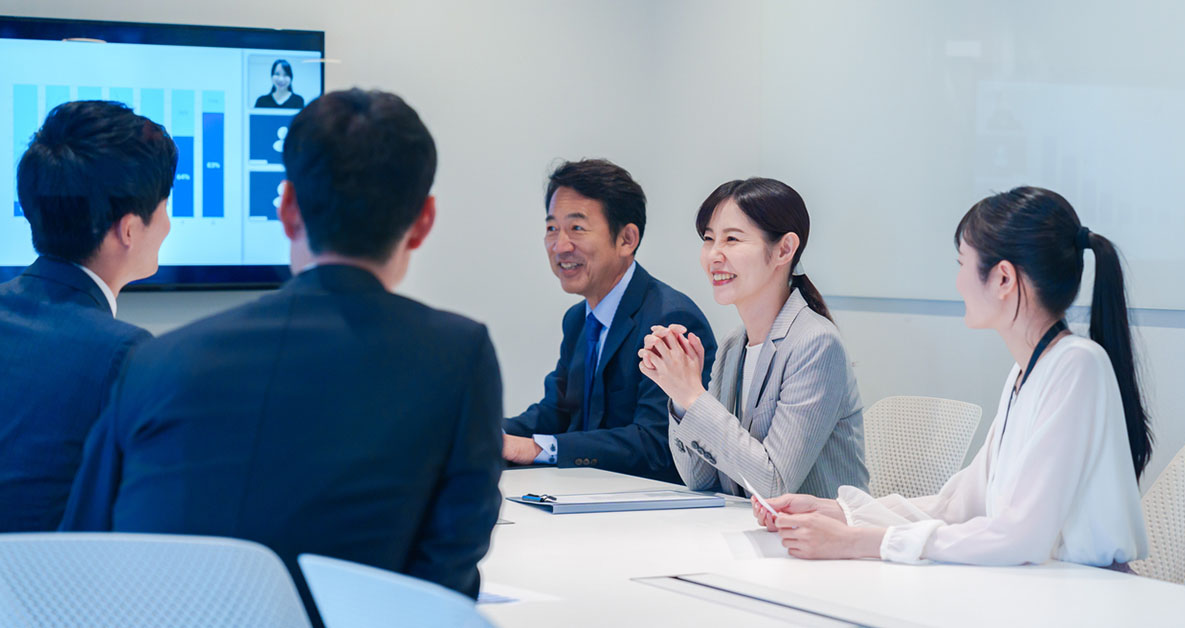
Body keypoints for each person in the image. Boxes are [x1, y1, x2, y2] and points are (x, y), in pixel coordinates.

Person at [60, 89, 503, 624]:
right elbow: (442, 592)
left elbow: (80, 555)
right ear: (424, 220)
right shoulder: (457, 357)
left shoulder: (157, 361)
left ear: (287, 206)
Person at [754, 186, 1151, 569]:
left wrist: (859, 541)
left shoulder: (1077, 365)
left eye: (962, 264)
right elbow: (960, 505)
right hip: (1045, 591)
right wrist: (841, 512)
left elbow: (1019, 537)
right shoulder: (1028, 371)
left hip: (1088, 599)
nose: (958, 281)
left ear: (1003, 279)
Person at [0, 101, 175, 532]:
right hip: (54, 591)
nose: (169, 224)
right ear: (130, 229)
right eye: (166, 206)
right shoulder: (124, 354)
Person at [638, 178, 868, 499]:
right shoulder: (734, 345)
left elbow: (773, 486)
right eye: (708, 239)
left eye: (732, 239)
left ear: (784, 249)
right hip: (747, 532)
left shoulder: (816, 343)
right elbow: (699, 479)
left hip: (817, 543)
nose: (714, 255)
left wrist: (693, 395)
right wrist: (680, 398)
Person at [503, 159, 717, 483]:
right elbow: (555, 413)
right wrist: (479, 435)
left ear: (627, 240)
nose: (560, 246)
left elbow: (656, 442)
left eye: (577, 228)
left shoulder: (670, 319)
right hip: (587, 496)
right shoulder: (577, 320)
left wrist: (539, 448)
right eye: (551, 229)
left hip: (653, 512)